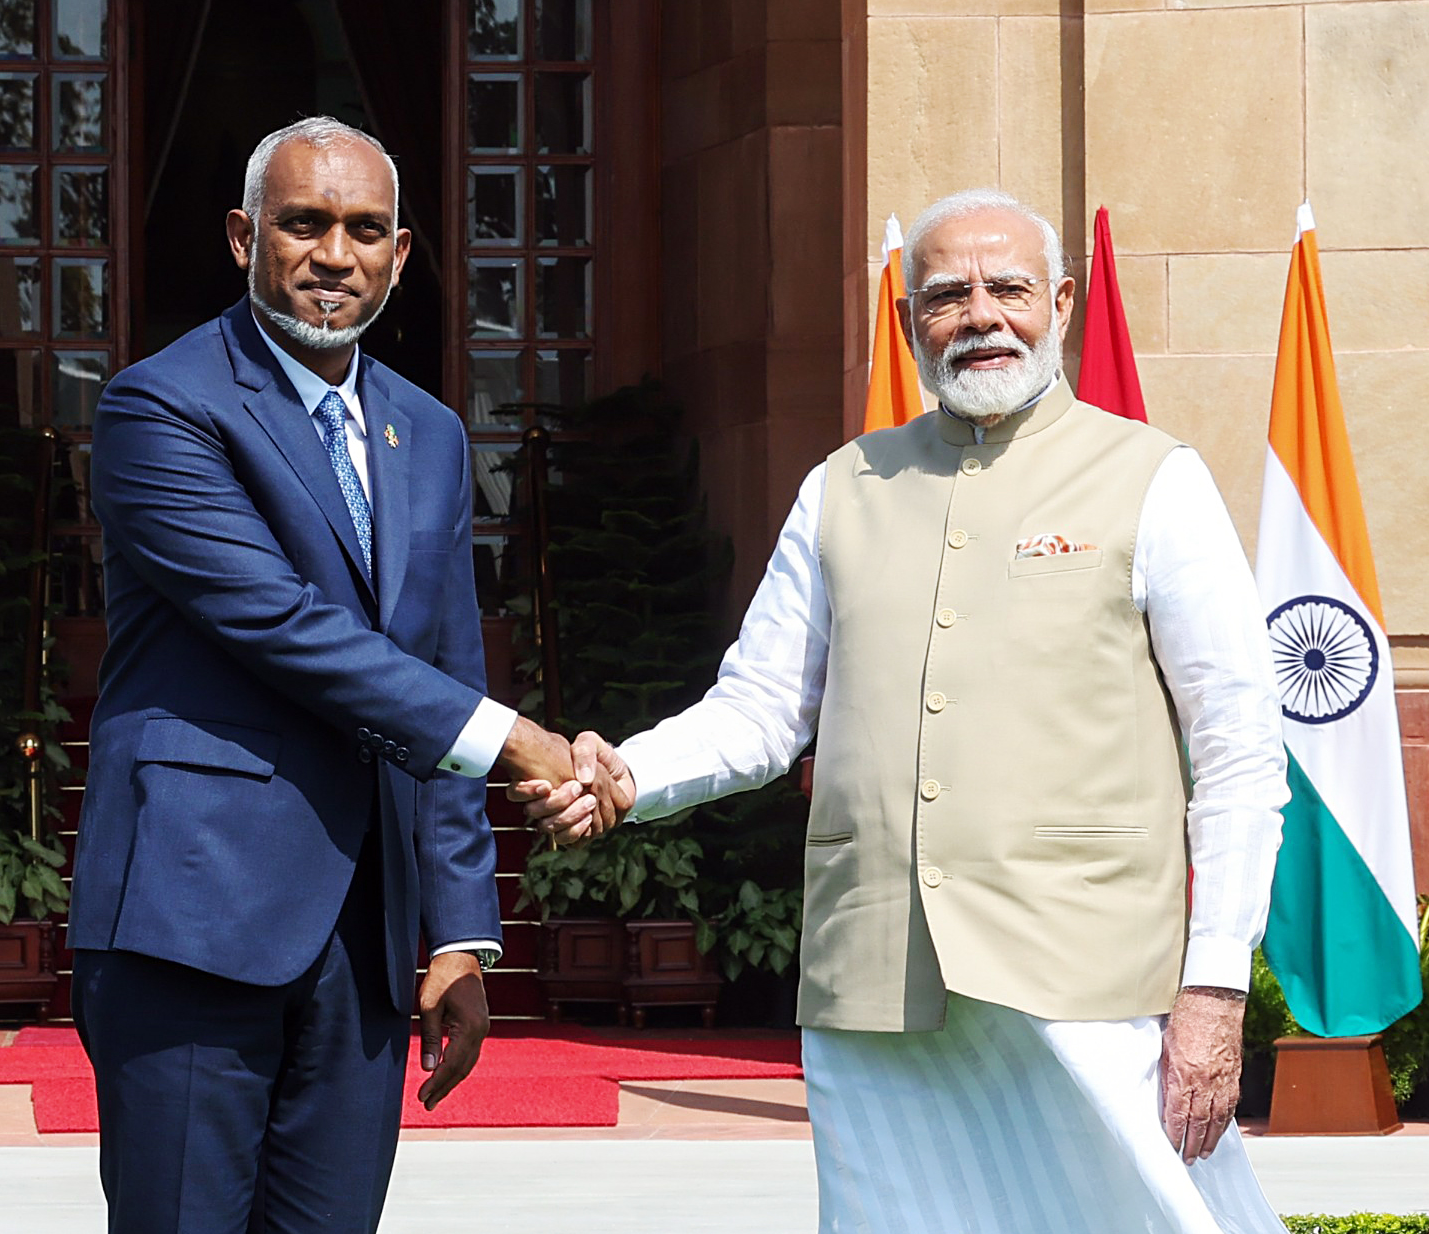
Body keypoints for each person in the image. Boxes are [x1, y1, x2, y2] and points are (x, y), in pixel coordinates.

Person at [520, 188, 1292, 1233]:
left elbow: (1239, 750)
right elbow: (757, 709)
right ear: (904, 322)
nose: (980, 315)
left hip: (1092, 979)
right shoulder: (842, 486)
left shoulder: (1154, 478)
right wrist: (630, 776)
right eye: (946, 296)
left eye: (1007, 287)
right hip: (876, 983)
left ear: (1058, 303)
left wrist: (1213, 991)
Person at [70, 117, 618, 1234]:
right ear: (242, 236)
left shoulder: (430, 431)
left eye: (365, 230)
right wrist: (520, 742)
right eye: (304, 224)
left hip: (366, 939)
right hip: (193, 916)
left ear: (402, 252)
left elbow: (446, 663)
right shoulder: (159, 406)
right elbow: (282, 626)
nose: (335, 255)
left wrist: (461, 930)